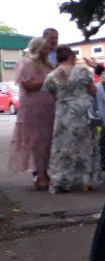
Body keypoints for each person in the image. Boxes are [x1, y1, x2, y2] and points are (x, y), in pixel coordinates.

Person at [43, 46, 98, 193]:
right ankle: (86, 181)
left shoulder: (51, 76)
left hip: (63, 113)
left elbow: (53, 98)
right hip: (81, 112)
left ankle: (61, 181)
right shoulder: (82, 72)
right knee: (85, 145)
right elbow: (93, 91)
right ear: (71, 57)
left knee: (62, 146)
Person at [7, 36, 56, 190]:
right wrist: (49, 81)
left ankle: (44, 173)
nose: (47, 51)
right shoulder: (27, 63)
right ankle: (40, 175)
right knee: (37, 142)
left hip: (49, 108)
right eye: (44, 48)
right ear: (36, 48)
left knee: (47, 141)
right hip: (33, 108)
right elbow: (28, 85)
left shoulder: (47, 64)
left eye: (48, 48)